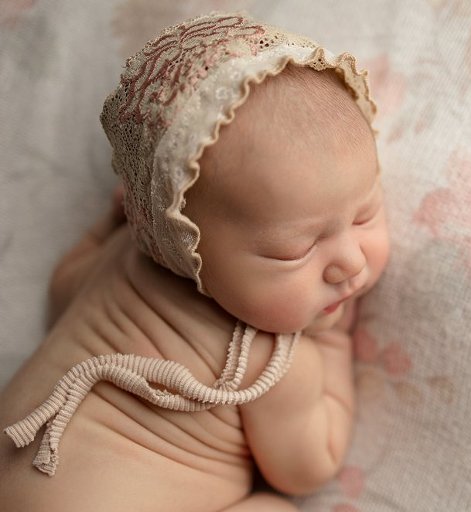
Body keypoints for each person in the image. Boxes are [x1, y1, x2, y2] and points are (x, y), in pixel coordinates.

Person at [0, 12, 389, 512]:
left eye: (366, 213)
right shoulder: (269, 362)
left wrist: (107, 227)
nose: (350, 264)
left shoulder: (122, 258)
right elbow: (309, 467)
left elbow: (60, 293)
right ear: (186, 241)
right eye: (295, 250)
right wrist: (332, 344)